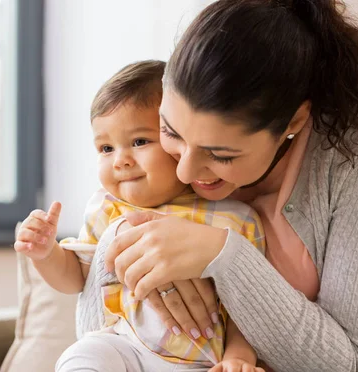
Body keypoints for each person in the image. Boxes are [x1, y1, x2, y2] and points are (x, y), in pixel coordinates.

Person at [101, 1, 358, 371]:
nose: (185, 170)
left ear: (293, 121)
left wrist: (225, 257)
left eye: (221, 154)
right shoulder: (151, 122)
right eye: (170, 132)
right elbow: (95, 333)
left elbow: (357, 364)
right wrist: (129, 243)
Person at [14, 60, 266, 372]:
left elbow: (250, 312)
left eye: (139, 141)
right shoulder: (106, 209)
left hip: (200, 361)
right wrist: (45, 252)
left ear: (180, 140)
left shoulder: (236, 219)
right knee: (84, 355)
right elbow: (77, 278)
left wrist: (238, 360)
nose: (120, 160)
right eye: (106, 148)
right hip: (122, 348)